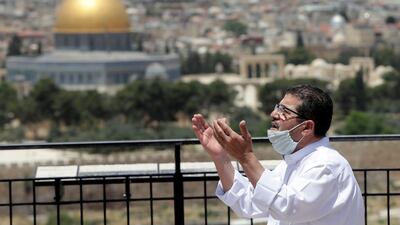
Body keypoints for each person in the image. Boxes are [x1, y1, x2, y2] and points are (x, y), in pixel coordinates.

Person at [191, 84, 364, 225]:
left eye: (284, 111)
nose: (274, 114)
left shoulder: (326, 165)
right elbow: (250, 203)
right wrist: (220, 156)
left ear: (307, 128)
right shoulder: (293, 162)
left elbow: (287, 207)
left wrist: (246, 157)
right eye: (277, 107)